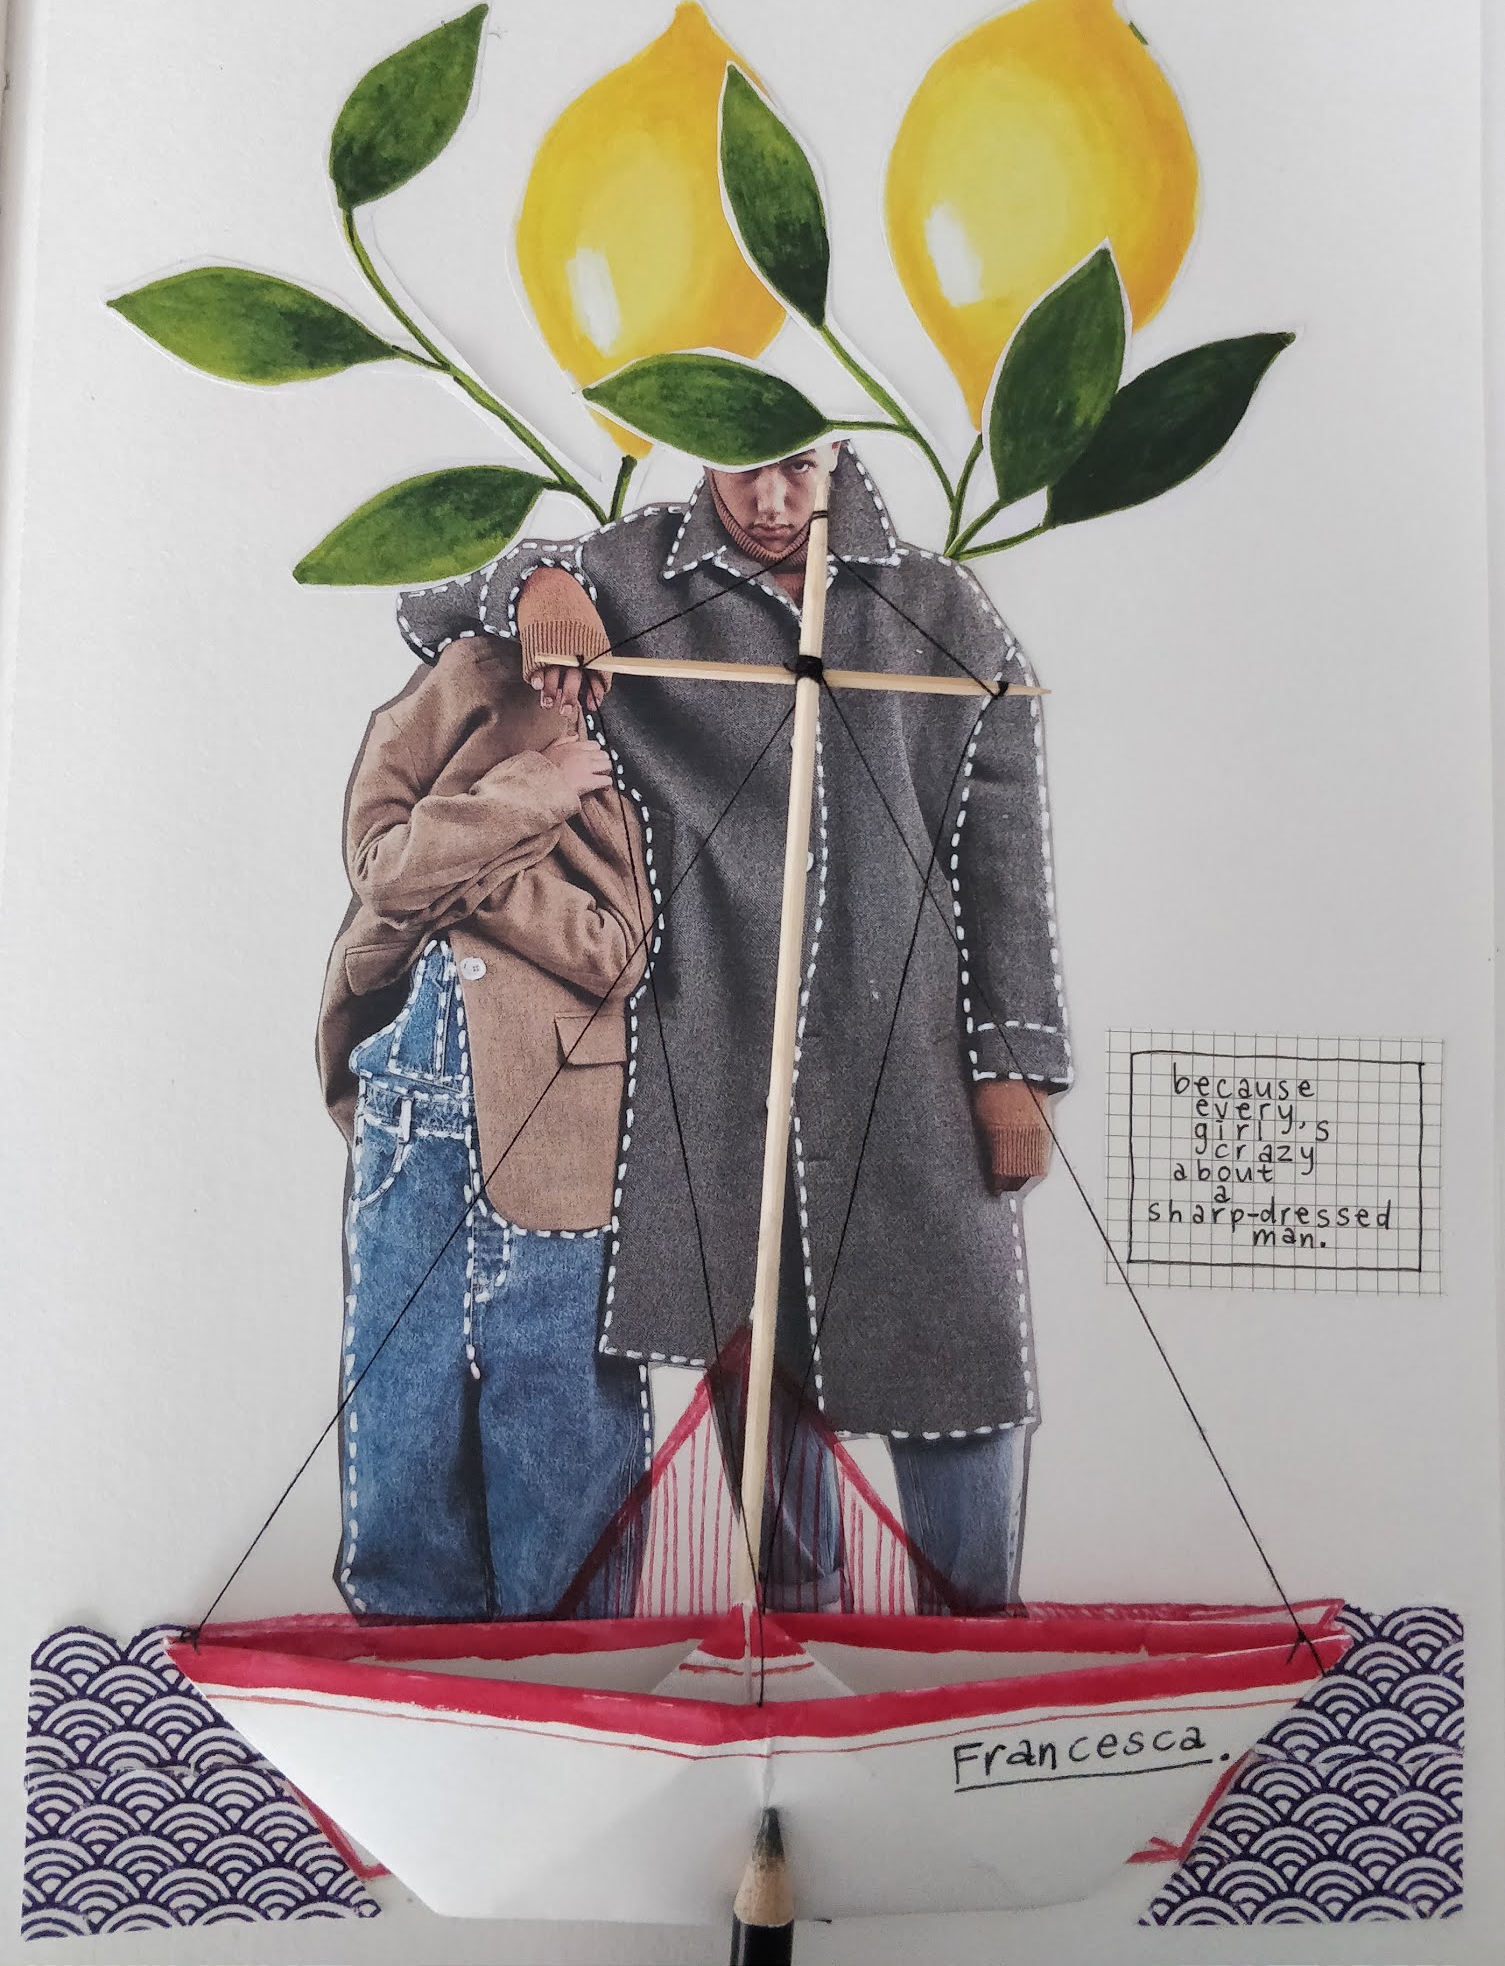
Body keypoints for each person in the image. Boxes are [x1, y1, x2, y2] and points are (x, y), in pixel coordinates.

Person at [395, 441, 1071, 1613]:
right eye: (743, 464)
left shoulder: (936, 603)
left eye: (798, 467)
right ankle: (797, 1621)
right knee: (751, 1353)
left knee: (953, 1347)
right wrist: (536, 582)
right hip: (702, 1037)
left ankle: (976, 1623)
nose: (769, 499)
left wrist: (1011, 1062)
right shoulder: (631, 571)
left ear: (839, 454)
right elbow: (427, 611)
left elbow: (1000, 851)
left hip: (901, 1040)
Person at [316, 631, 652, 1619]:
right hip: (408, 1106)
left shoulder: (618, 718)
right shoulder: (460, 675)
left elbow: (613, 950)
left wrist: (458, 866)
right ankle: (408, 1659)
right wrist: (528, 793)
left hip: (563, 1118)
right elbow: (383, 870)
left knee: (560, 1423)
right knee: (400, 1408)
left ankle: (570, 1669)